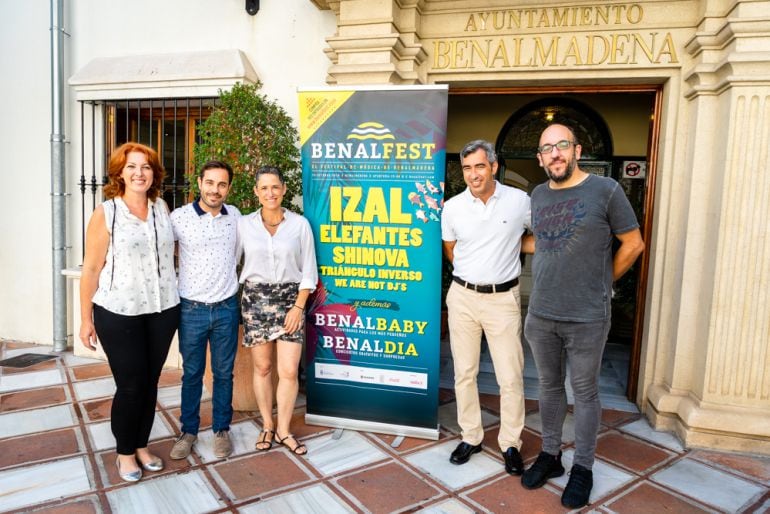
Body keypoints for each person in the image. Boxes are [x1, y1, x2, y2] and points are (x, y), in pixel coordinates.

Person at [521, 123, 644, 508]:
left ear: (576, 150)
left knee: (586, 392)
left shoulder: (606, 190)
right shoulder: (538, 194)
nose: (555, 154)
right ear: (540, 159)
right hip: (541, 313)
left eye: (561, 145)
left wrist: (601, 280)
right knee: (549, 387)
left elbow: (634, 243)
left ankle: (584, 468)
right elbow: (543, 240)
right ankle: (552, 455)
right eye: (547, 149)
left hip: (588, 315)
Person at [79, 142, 180, 483]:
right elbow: (91, 268)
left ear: (154, 174)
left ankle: (141, 445)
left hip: (163, 309)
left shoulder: (161, 207)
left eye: (146, 167)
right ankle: (124, 453)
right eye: (132, 166)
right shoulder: (105, 212)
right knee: (131, 385)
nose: (139, 173)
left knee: (150, 383)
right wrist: (85, 318)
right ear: (120, 173)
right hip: (119, 311)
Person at [441, 140, 530, 475]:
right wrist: (473, 273)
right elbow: (451, 248)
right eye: (467, 168)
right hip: (462, 297)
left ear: (494, 166)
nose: (473, 174)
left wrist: (509, 249)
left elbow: (539, 237)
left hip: (502, 300)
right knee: (464, 372)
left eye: (479, 166)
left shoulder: (520, 201)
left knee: (510, 376)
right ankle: (471, 436)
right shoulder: (452, 207)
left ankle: (510, 443)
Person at [237, 165, 318, 455]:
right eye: (264, 188)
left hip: (290, 300)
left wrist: (299, 305)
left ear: (284, 190)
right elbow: (233, 261)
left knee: (287, 370)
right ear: (256, 192)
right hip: (255, 300)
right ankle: (267, 425)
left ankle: (284, 430)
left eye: (275, 187)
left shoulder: (299, 225)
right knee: (263, 368)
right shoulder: (244, 225)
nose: (270, 193)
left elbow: (309, 271)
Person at [169, 161, 241, 461]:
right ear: (199, 183)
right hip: (191, 309)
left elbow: (240, 253)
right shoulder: (179, 218)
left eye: (222, 184)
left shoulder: (235, 216)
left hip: (226, 307)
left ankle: (221, 430)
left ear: (229, 188)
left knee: (224, 373)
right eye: (210, 183)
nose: (215, 190)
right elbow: (165, 253)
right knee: (192, 374)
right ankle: (188, 431)